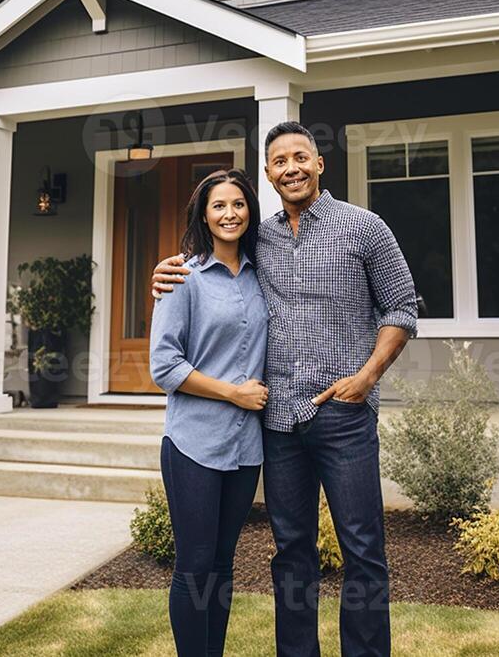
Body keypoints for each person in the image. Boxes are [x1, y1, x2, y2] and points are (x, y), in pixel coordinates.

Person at [152, 122, 418, 657]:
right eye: (279, 161)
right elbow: (206, 270)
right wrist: (162, 273)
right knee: (292, 551)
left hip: (342, 414)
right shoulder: (259, 238)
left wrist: (365, 378)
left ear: (320, 163)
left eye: (301, 156)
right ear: (269, 175)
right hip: (277, 423)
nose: (291, 167)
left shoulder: (364, 227)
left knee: (362, 549)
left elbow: (403, 309)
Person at [149, 167, 269, 657]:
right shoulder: (184, 277)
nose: (229, 214)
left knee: (222, 563)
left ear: (250, 212)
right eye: (218, 205)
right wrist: (233, 394)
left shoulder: (264, 275)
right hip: (193, 442)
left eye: (238, 204)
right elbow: (163, 365)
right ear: (204, 213)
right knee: (194, 563)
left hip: (246, 448)